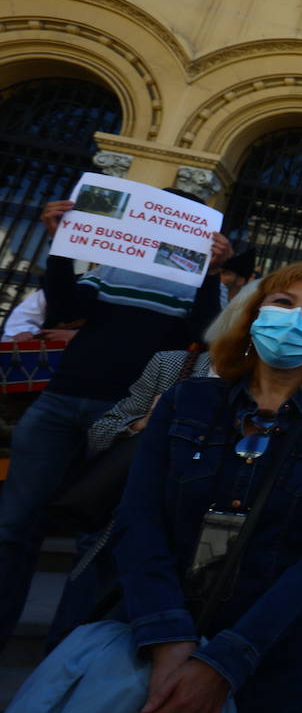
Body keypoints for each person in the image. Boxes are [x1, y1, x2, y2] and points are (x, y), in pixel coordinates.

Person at [115, 261, 302, 713]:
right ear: (254, 313)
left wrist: (224, 662)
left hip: (270, 652)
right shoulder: (186, 403)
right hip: (157, 628)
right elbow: (138, 517)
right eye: (283, 303)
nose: (296, 318)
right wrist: (167, 639)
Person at [0, 196, 229, 652]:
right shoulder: (111, 270)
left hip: (126, 416)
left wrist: (208, 273)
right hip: (61, 402)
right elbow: (62, 310)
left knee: (96, 542)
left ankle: (60, 658)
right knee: (12, 527)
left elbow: (208, 336)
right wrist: (61, 244)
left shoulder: (202, 283)